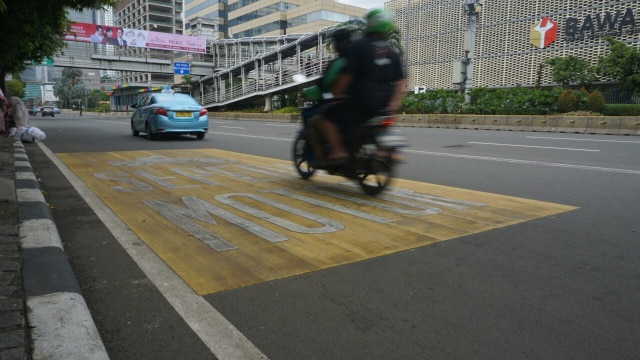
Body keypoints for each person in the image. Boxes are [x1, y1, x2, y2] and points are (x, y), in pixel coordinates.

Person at [320, 9, 406, 163]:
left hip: (360, 105)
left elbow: (347, 76)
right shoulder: (392, 52)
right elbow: (401, 80)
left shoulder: (359, 47)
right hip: (384, 107)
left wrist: (336, 93)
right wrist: (393, 104)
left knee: (326, 116)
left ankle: (338, 151)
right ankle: (380, 151)